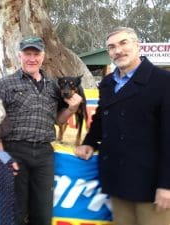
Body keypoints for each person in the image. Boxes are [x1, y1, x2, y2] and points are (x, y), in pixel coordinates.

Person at [75, 27, 170, 225]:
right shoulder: (108, 83)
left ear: (137, 45)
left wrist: (166, 185)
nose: (118, 50)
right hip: (117, 179)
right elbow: (102, 117)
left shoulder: (163, 82)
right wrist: (90, 141)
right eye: (112, 47)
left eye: (123, 43)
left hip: (151, 186)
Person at [0, 36, 83, 225]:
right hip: (14, 151)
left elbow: (58, 121)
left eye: (36, 54)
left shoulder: (54, 86)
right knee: (15, 212)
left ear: (43, 56)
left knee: (42, 214)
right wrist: (2, 156)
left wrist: (71, 109)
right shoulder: (4, 84)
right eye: (28, 54)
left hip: (44, 154)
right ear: (20, 56)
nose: (32, 58)